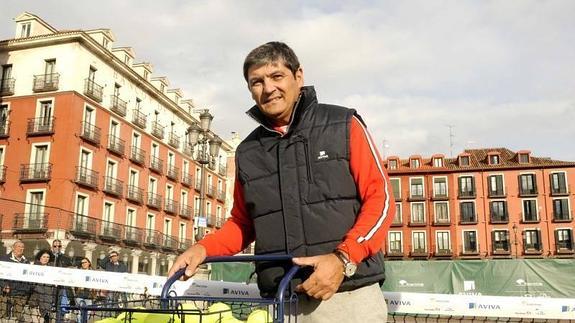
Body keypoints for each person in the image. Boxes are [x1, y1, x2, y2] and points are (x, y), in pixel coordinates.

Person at [169, 41, 395, 322]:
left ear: (298, 76)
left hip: (349, 295)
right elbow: (242, 223)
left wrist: (343, 259)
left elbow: (380, 198)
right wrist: (203, 248)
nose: (268, 88)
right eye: (257, 82)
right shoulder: (248, 151)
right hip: (281, 303)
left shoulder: (343, 123)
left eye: (277, 76)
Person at [0, 240, 32, 322]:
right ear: (13, 248)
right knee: (2, 316)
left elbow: (28, 277)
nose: (21, 249)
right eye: (19, 246)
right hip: (5, 294)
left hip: (21, 295)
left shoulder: (26, 262)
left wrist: (26, 290)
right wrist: (4, 285)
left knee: (18, 318)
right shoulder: (4, 259)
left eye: (22, 247)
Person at [29, 249, 56, 322]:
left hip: (47, 299)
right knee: (35, 320)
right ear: (40, 257)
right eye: (44, 257)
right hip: (36, 299)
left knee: (42, 320)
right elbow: (31, 284)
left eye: (47, 257)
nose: (46, 259)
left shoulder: (52, 269)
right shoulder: (33, 267)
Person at [74, 257, 95, 323]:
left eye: (85, 262)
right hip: (80, 294)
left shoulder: (94, 273)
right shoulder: (78, 272)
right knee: (79, 315)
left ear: (89, 263)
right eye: (82, 263)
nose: (83, 264)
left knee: (87, 315)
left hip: (89, 295)